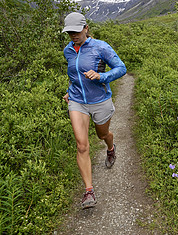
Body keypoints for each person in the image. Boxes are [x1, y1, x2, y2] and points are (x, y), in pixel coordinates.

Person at [61, 12, 127, 209]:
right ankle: (89, 192)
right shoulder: (68, 50)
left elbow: (121, 68)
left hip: (100, 100)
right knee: (82, 145)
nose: (73, 35)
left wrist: (102, 76)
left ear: (86, 28)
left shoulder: (101, 47)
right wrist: (68, 91)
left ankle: (110, 147)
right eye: (70, 32)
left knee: (102, 134)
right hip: (77, 101)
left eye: (77, 31)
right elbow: (75, 75)